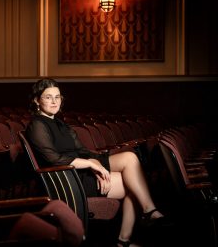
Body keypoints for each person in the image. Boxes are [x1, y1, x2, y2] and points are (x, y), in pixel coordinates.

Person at [25, 78, 170, 247]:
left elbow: (83, 151)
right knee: (135, 185)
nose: (54, 101)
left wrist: (96, 165)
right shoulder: (37, 125)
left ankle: (146, 213)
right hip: (69, 178)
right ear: (37, 100)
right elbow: (53, 159)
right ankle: (126, 237)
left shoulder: (60, 124)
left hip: (79, 169)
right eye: (48, 97)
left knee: (130, 158)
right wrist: (91, 165)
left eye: (57, 97)